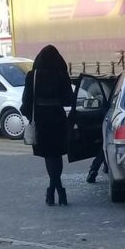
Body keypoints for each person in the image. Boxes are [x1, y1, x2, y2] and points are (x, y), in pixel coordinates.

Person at [21, 45, 75, 206]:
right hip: (57, 118)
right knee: (56, 156)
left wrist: (32, 116)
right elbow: (68, 100)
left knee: (49, 156)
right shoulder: (61, 75)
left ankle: (54, 191)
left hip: (41, 119)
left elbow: (26, 102)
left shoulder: (33, 76)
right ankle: (57, 191)